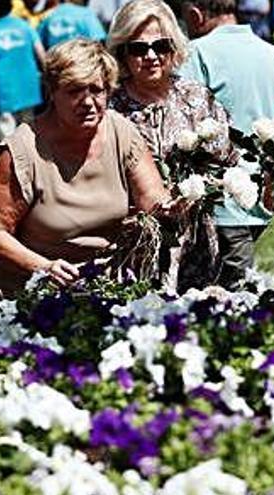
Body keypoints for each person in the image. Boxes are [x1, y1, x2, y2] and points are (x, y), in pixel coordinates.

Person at [0, 39, 168, 296]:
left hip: (106, 286)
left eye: (97, 90)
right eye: (75, 91)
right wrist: (43, 268)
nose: (88, 102)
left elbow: (155, 203)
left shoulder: (121, 133)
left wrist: (184, 203)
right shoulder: (23, 150)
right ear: (52, 92)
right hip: (32, 291)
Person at [107, 0, 235, 291]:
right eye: (139, 48)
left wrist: (202, 188)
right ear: (122, 53)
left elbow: (227, 161)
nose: (151, 56)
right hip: (132, 244)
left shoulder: (196, 99)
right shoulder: (110, 107)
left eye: (161, 46)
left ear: (174, 48)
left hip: (194, 244)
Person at [179, 0, 274, 289]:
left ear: (195, 15)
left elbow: (183, 119)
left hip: (221, 198)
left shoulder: (196, 54)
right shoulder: (273, 54)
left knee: (228, 295)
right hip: (265, 192)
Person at [0, 0, 45, 139]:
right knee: (30, 133)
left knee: (8, 138)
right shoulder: (25, 26)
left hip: (4, 94)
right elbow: (42, 55)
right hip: (29, 90)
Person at [37, 0, 107, 49]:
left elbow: (38, 43)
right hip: (80, 65)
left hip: (54, 65)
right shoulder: (86, 14)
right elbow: (100, 41)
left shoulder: (50, 15)